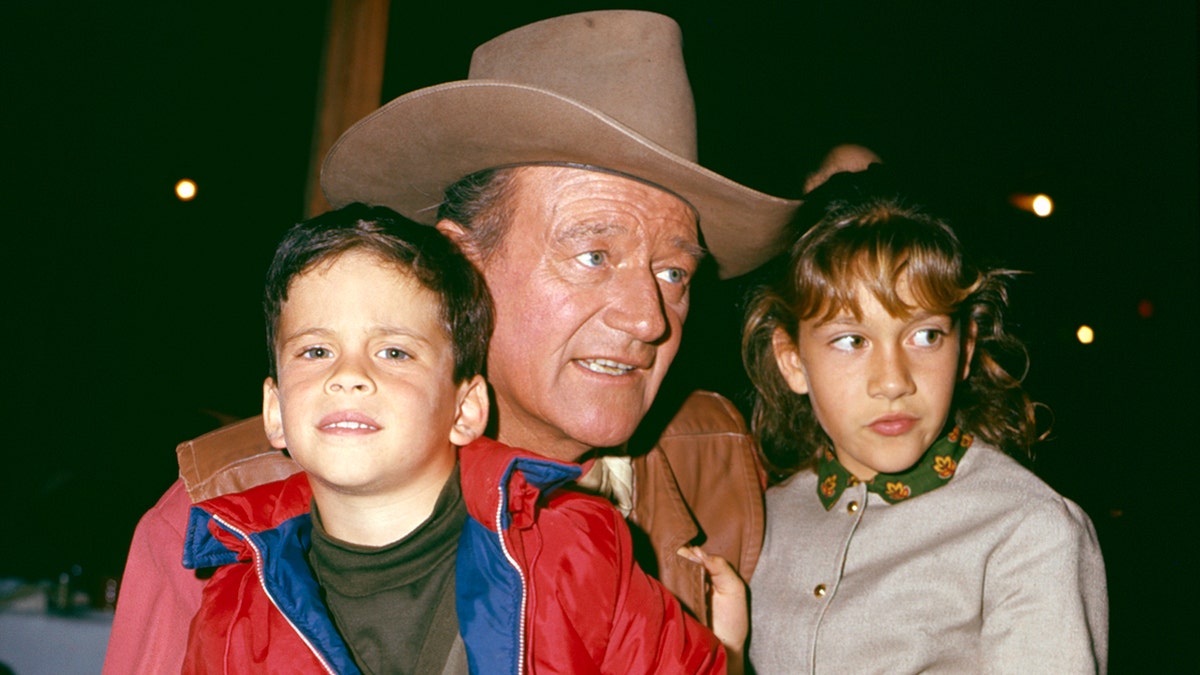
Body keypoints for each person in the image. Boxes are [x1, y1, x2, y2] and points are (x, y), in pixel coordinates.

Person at [105, 10, 870, 672]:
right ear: (459, 268)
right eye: (593, 254)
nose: (648, 317)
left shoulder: (719, 459)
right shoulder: (217, 520)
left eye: (673, 272)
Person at [181, 203, 741, 673]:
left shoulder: (576, 549)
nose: (347, 375)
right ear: (275, 411)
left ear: (465, 408)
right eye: (315, 351)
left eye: (394, 352)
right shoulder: (231, 607)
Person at [741, 195, 1108, 673]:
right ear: (792, 360)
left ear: (966, 348)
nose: (894, 381)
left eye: (926, 336)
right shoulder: (761, 519)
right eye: (851, 341)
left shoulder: (1027, 530)